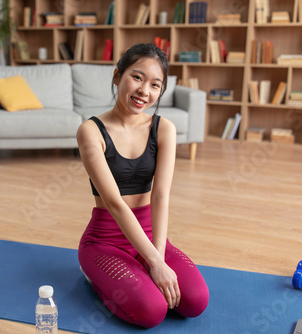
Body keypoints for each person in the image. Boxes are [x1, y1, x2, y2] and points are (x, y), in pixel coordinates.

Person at [76, 43, 209, 329]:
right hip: (105, 241)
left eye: (154, 85)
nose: (144, 91)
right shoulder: (91, 131)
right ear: (117, 76)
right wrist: (155, 265)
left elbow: (160, 195)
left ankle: (145, 266)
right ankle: (93, 278)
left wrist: (157, 258)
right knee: (152, 311)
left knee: (195, 301)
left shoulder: (164, 129)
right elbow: (114, 203)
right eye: (137, 77)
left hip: (150, 236)